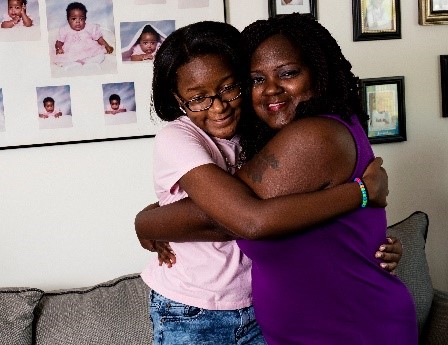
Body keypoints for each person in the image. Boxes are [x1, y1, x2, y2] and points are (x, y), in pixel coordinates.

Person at [135, 19, 403, 345]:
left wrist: (149, 223)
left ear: (318, 71)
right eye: (257, 79)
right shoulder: (250, 136)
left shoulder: (311, 136)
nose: (272, 88)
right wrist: (149, 221)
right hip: (227, 316)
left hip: (346, 329)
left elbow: (234, 217)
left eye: (288, 73)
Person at [53, 2, 114, 69]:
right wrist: (59, 48)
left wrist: (107, 46)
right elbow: (59, 42)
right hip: (72, 53)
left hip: (89, 51)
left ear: (85, 18)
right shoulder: (64, 30)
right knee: (62, 59)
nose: (78, 22)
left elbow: (99, 39)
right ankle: (73, 65)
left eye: (81, 19)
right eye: (74, 19)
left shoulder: (90, 27)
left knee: (100, 55)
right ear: (68, 20)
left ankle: (91, 64)